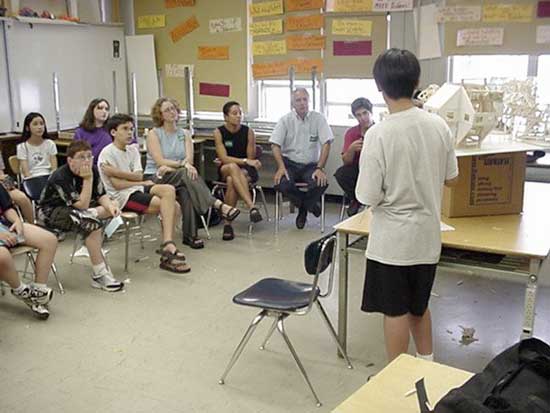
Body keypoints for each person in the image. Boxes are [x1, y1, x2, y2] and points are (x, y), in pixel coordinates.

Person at [356, 48, 459, 363]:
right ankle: (427, 365)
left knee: (395, 311)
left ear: (379, 86)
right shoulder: (438, 126)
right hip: (427, 238)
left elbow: (367, 196)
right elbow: (452, 179)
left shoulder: (379, 133)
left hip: (393, 244)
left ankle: (395, 378)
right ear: (417, 81)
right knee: (419, 306)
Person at [99, 114, 193, 274]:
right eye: (125, 129)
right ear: (113, 132)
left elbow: (138, 175)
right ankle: (168, 250)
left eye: (131, 129)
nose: (130, 133)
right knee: (174, 206)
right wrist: (140, 182)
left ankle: (167, 244)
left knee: (169, 191)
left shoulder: (133, 150)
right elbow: (118, 184)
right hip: (122, 197)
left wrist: (118, 173)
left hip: (137, 188)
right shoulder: (107, 153)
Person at [145, 98, 240, 248]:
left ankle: (190, 236)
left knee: (186, 190)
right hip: (157, 176)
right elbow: (159, 161)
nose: (172, 112)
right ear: (160, 115)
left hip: (178, 175)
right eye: (167, 110)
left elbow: (189, 159)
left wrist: (182, 165)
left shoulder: (185, 133)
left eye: (173, 109)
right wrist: (181, 165)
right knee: (186, 173)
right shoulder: (154, 134)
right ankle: (219, 205)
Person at [39, 140, 125, 292]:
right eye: (81, 157)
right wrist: (88, 179)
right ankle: (100, 275)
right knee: (92, 226)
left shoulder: (92, 169)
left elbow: (101, 195)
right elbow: (82, 204)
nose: (86, 161)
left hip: (75, 210)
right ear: (70, 160)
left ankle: (90, 233)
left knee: (108, 210)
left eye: (89, 156)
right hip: (52, 212)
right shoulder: (61, 176)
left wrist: (111, 206)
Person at [269, 88, 334, 229]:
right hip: (289, 164)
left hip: (311, 165)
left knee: (321, 183)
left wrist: (320, 168)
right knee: (281, 183)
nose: (302, 103)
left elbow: (326, 143)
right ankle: (309, 205)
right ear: (292, 103)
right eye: (298, 100)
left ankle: (303, 209)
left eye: (305, 99)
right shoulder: (285, 120)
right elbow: (275, 144)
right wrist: (281, 167)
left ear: (309, 101)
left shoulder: (318, 119)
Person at [0, 184, 57, 319]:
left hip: (4, 224)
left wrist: (17, 221)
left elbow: (8, 208)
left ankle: (39, 291)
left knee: (49, 240)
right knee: (2, 256)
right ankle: (22, 292)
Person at [213, 101, 262, 241]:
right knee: (232, 168)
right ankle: (251, 205)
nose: (239, 116)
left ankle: (228, 225)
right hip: (226, 168)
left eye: (240, 113)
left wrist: (246, 162)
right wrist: (245, 161)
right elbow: (223, 157)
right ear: (226, 117)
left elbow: (251, 157)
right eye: (234, 113)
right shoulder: (218, 132)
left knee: (231, 181)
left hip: (246, 172)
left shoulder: (248, 132)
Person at [334, 97, 374, 217]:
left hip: (375, 167)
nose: (363, 118)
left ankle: (365, 200)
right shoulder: (351, 133)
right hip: (358, 167)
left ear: (371, 113)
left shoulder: (379, 130)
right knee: (341, 174)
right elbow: (346, 161)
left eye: (365, 113)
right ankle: (357, 199)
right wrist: (351, 149)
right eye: (358, 115)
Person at [16, 112, 57, 179]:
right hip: (31, 180)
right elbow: (26, 173)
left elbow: (54, 169)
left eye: (42, 124)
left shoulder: (50, 143)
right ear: (27, 128)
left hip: (49, 178)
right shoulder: (22, 147)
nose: (39, 127)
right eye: (35, 124)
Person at [74, 98, 112, 165]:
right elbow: (77, 154)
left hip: (109, 166)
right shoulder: (80, 132)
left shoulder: (112, 130)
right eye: (100, 108)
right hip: (88, 166)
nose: (104, 111)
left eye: (106, 109)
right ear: (91, 111)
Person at [0, 152, 34, 223]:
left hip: (2, 187)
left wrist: (7, 183)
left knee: (23, 198)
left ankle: (32, 225)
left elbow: (1, 174)